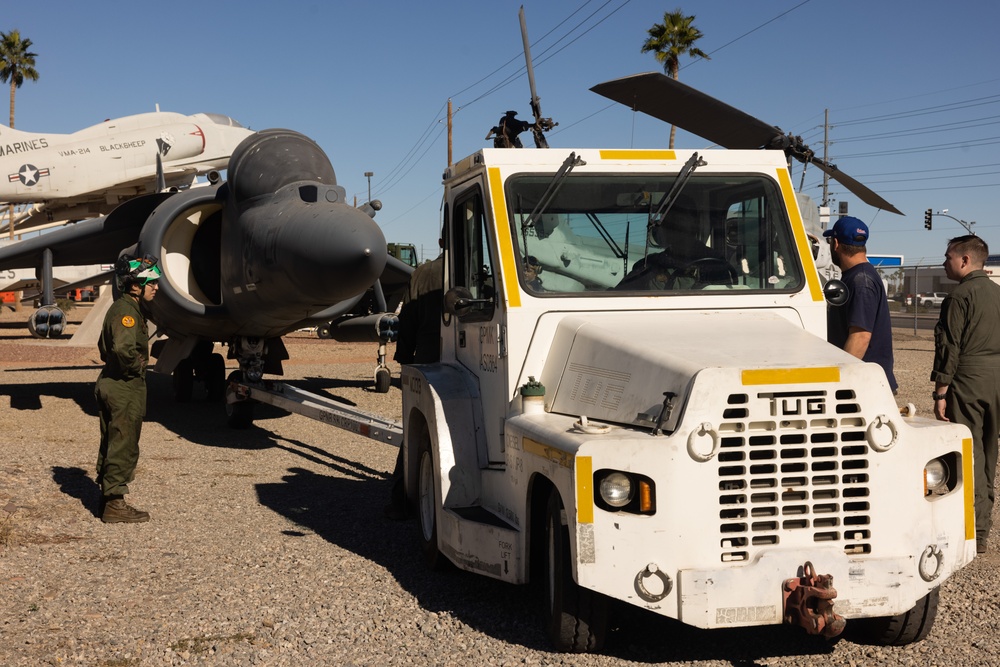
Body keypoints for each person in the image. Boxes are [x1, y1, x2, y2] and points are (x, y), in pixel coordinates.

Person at [931, 235, 1000, 554]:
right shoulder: (997, 293)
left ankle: (972, 528)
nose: (945, 262)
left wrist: (941, 391)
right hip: (996, 378)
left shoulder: (959, 296)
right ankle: (983, 530)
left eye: (948, 257)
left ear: (964, 261)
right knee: (989, 452)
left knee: (969, 453)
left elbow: (950, 348)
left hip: (968, 378)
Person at [95, 254, 161, 523]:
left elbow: (104, 349)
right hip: (124, 387)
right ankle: (114, 504)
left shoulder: (125, 308)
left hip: (113, 383)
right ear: (136, 285)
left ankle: (108, 495)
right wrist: (139, 365)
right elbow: (122, 349)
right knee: (124, 443)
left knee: (112, 441)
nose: (156, 287)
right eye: (151, 282)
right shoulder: (126, 313)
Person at [385, 247, 444, 519]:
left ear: (442, 239)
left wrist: (405, 358)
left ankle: (401, 498)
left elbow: (407, 317)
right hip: (468, 360)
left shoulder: (423, 273)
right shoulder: (476, 266)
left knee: (416, 429)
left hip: (428, 358)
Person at [823, 216, 898, 394]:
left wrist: (839, 381)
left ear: (835, 244)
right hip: (865, 381)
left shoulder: (860, 281)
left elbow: (861, 337)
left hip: (864, 386)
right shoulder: (858, 276)